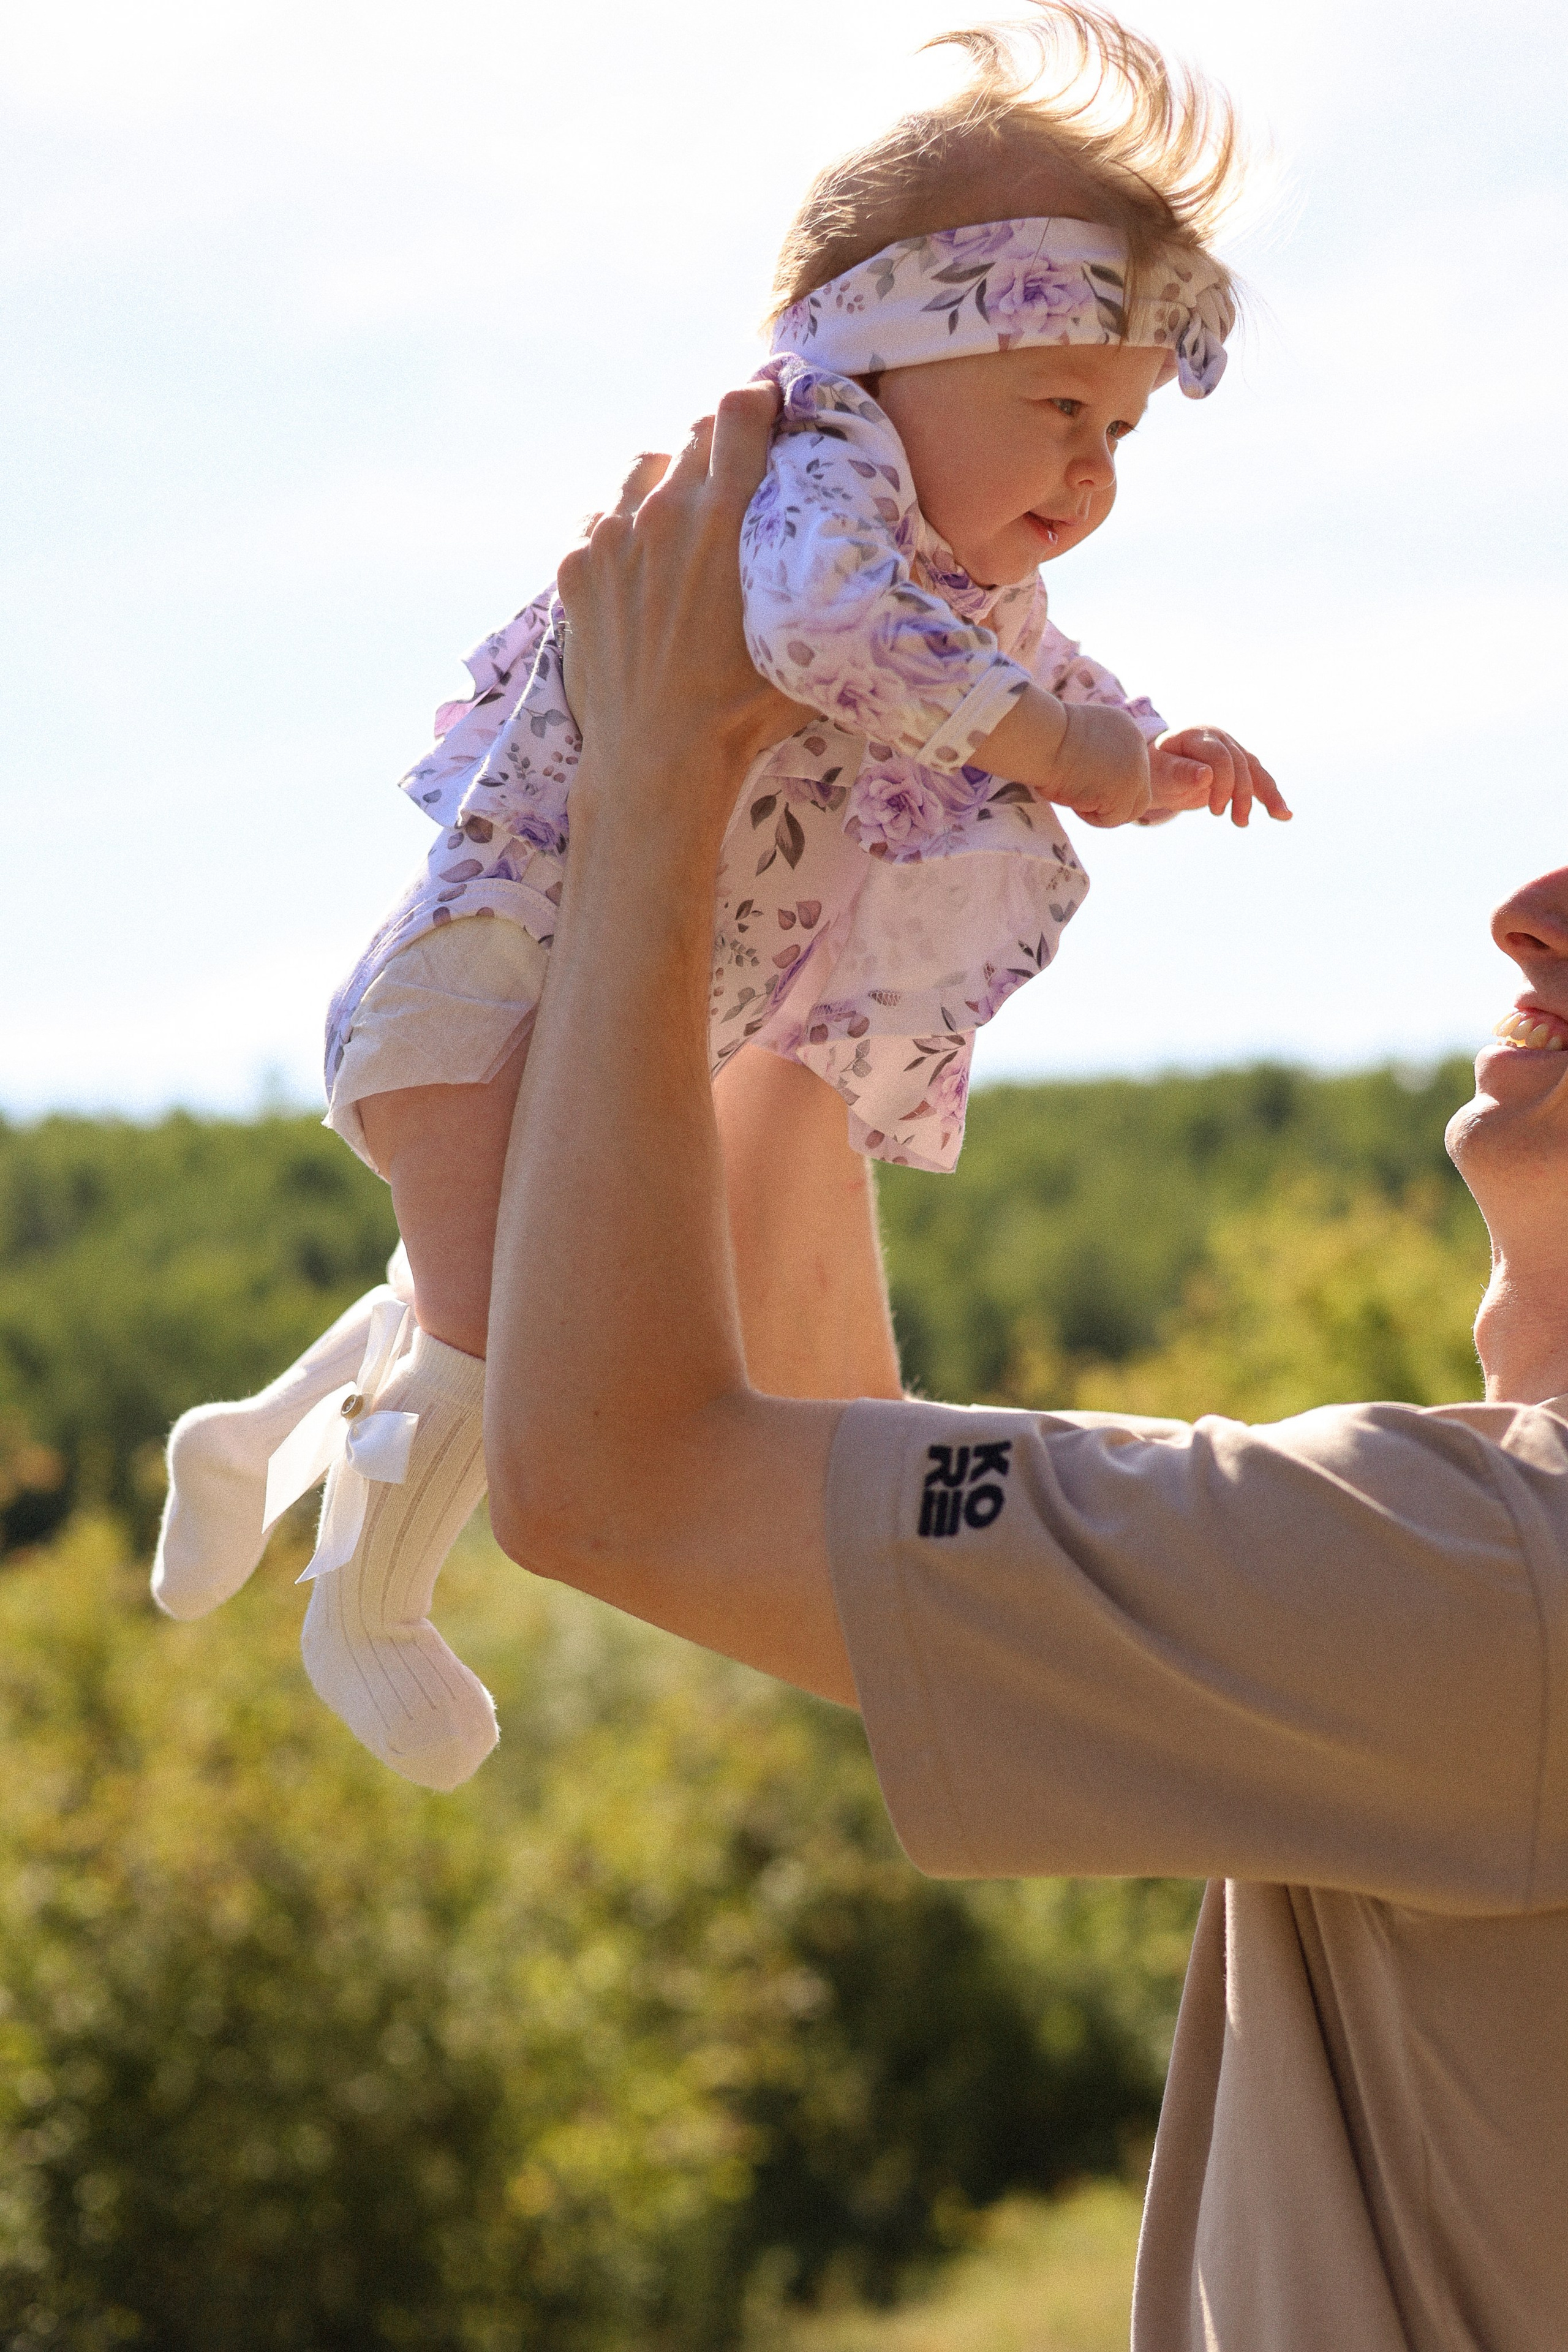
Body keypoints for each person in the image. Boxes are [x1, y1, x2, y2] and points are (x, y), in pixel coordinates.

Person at [481, 388, 1568, 2351]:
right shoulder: (1483, 1588)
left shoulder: (1501, 1592)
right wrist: (823, 884)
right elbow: (814, 1495)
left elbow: (617, 1485)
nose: (1530, 910)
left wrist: (659, 774)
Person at [149, 4, 1287, 1790]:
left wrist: (1147, 745)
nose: (1090, 479)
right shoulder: (813, 487)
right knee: (507, 1332)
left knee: (462, 1290)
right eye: (1061, 409)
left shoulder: (946, 567)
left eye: (1124, 433)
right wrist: (1073, 751)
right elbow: (831, 635)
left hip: (585, 1002)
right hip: (489, 981)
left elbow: (1035, 664)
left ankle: (249, 1441)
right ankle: (364, 1606)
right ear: (880, 358)